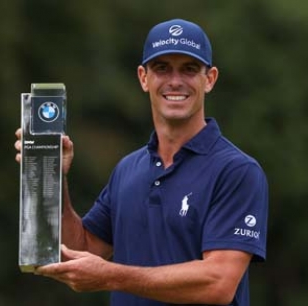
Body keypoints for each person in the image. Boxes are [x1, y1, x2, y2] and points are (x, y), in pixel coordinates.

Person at [15, 18, 268, 306]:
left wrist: (111, 276)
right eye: (162, 68)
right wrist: (53, 178)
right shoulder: (128, 169)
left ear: (209, 79)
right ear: (143, 77)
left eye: (189, 69)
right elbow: (79, 250)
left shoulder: (237, 171)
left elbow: (218, 283)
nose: (175, 81)